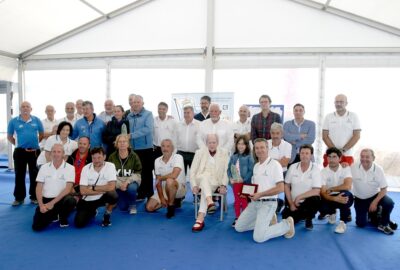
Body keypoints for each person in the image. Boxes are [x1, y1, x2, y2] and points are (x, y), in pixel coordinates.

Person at [234, 138, 295, 243]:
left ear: (267, 149)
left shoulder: (275, 165)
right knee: (238, 227)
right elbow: (256, 187)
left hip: (268, 203)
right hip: (255, 203)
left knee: (259, 237)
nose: (259, 150)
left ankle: (287, 225)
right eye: (257, 148)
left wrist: (261, 194)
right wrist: (248, 194)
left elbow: (280, 188)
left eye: (262, 147)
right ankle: (267, 221)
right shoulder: (256, 166)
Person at [351, 149, 397, 235]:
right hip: (359, 199)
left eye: (367, 157)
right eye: (362, 156)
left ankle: (384, 223)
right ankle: (377, 216)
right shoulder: (353, 167)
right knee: (361, 224)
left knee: (389, 203)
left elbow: (384, 189)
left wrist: (375, 202)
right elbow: (343, 174)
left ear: (373, 158)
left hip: (374, 196)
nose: (364, 159)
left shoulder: (378, 169)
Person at [32, 144, 76, 231]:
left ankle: (63, 216)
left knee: (71, 200)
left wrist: (52, 203)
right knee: (37, 227)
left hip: (61, 199)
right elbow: (38, 187)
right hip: (46, 200)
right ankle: (55, 214)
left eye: (59, 152)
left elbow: (68, 189)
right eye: (54, 151)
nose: (56, 154)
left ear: (63, 154)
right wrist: (41, 205)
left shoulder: (70, 168)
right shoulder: (44, 167)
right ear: (51, 153)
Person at [7, 101, 44, 206]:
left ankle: (34, 197)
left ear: (31, 109)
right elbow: (9, 137)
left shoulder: (36, 120)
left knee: (35, 175)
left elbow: (41, 134)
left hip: (35, 152)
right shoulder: (14, 121)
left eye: (27, 106)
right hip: (20, 152)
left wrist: (35, 144)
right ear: (20, 109)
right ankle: (19, 198)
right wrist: (19, 145)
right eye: (23, 107)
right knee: (19, 175)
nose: (25, 108)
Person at [190, 134, 229, 232]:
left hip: (216, 182)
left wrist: (223, 185)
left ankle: (201, 217)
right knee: (204, 177)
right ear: (206, 143)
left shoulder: (224, 153)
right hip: (201, 178)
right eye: (209, 143)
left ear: (218, 143)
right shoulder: (199, 152)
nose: (211, 145)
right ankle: (208, 203)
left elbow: (226, 171)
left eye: (214, 142)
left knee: (204, 188)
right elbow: (193, 171)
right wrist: (194, 185)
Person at [74, 147, 118, 228]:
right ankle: (92, 212)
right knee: (79, 224)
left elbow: (111, 187)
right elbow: (83, 191)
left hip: (103, 197)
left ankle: (107, 215)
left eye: (99, 157)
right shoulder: (85, 168)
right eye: (94, 158)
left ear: (104, 157)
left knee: (113, 195)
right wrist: (103, 190)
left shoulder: (110, 166)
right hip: (88, 199)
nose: (96, 160)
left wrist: (93, 187)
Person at [282, 144, 321, 230]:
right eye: (302, 153)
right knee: (286, 219)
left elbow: (316, 191)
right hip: (292, 201)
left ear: (311, 155)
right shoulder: (292, 167)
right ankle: (299, 214)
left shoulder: (315, 169)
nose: (304, 155)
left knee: (316, 199)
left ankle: (308, 218)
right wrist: (291, 203)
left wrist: (299, 197)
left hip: (307, 202)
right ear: (299, 154)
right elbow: (286, 186)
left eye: (307, 153)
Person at [146, 139, 186, 218]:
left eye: (168, 146)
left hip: (179, 188)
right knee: (149, 208)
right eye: (163, 146)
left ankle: (171, 206)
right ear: (160, 148)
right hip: (165, 188)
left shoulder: (178, 157)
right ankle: (172, 200)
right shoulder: (157, 161)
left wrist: (160, 178)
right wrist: (161, 198)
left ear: (172, 148)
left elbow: (174, 175)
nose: (165, 148)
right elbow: (158, 183)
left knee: (169, 181)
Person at [126, 94, 154, 200]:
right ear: (131, 104)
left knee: (147, 172)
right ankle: (141, 193)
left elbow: (148, 129)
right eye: (134, 102)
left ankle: (150, 194)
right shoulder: (129, 116)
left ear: (142, 103)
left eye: (138, 102)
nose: (136, 104)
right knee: (138, 172)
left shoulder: (148, 114)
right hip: (133, 149)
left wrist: (131, 135)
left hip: (146, 148)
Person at [319, 147, 354, 234]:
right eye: (329, 157)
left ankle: (343, 222)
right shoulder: (322, 172)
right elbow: (323, 192)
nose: (331, 159)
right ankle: (332, 213)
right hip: (330, 197)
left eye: (334, 157)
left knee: (345, 196)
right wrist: (334, 198)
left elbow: (348, 186)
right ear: (326, 158)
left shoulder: (345, 168)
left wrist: (331, 189)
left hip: (343, 195)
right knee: (319, 201)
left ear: (340, 158)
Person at [322, 94, 361, 167]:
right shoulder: (328, 117)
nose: (338, 104)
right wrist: (335, 151)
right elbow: (325, 136)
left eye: (341, 102)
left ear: (346, 103)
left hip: (347, 155)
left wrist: (343, 150)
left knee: (345, 178)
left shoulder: (353, 116)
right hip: (330, 155)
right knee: (328, 177)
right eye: (336, 102)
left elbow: (357, 136)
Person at [108, 134, 142, 215]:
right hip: (117, 181)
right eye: (120, 142)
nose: (122, 143)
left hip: (131, 180)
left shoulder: (134, 156)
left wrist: (127, 182)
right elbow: (109, 174)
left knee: (132, 189)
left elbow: (138, 172)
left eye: (124, 141)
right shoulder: (112, 157)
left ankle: (133, 204)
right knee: (123, 207)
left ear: (128, 144)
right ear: (116, 144)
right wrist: (120, 185)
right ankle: (125, 196)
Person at [227, 135, 254, 227]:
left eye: (243, 144)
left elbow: (251, 170)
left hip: (246, 183)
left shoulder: (249, 157)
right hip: (236, 183)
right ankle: (238, 217)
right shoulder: (233, 157)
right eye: (239, 143)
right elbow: (228, 169)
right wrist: (230, 178)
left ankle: (245, 219)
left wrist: (244, 179)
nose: (240, 146)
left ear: (247, 145)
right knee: (237, 201)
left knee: (244, 201)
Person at [176, 105, 200, 175]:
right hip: (181, 154)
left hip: (194, 154)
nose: (186, 114)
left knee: (195, 177)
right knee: (180, 177)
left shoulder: (199, 125)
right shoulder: (178, 125)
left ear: (193, 113)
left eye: (188, 112)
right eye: (184, 113)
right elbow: (175, 139)